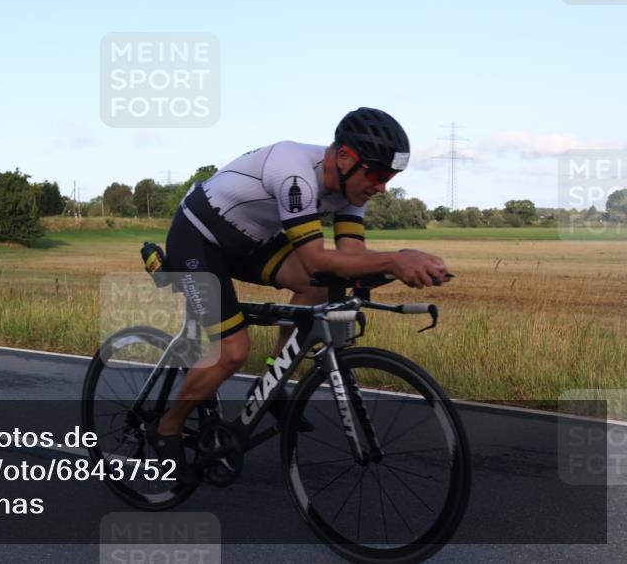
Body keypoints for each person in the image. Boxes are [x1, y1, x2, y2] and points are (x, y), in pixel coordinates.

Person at [148, 107, 451, 484]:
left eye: (390, 177)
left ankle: (272, 382)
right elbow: (315, 258)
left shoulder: (352, 189)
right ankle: (167, 429)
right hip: (199, 237)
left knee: (318, 285)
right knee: (233, 352)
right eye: (378, 174)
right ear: (343, 157)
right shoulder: (294, 172)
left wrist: (401, 264)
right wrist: (396, 259)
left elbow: (350, 259)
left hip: (251, 241)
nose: (383, 186)